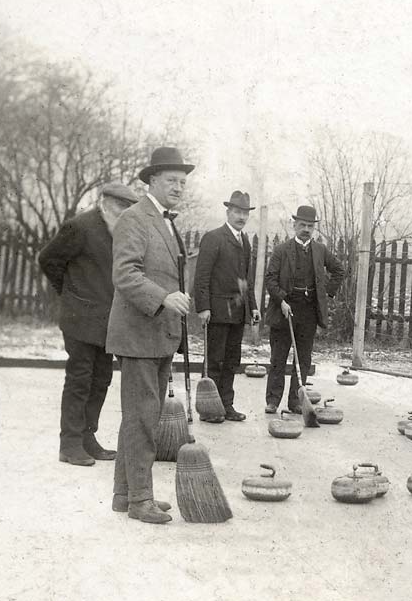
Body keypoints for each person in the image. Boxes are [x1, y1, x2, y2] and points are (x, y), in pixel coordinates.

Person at [106, 147, 195, 525]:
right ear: (152, 181)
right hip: (139, 334)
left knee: (143, 417)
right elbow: (125, 274)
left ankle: (126, 495)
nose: (178, 187)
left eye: (183, 182)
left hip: (158, 333)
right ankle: (140, 499)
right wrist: (163, 298)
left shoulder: (168, 222)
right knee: (142, 418)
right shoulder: (135, 218)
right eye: (171, 181)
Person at [39, 183, 140, 466]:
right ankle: (69, 445)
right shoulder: (80, 226)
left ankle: (87, 438)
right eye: (121, 207)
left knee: (101, 380)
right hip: (79, 320)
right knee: (80, 380)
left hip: (108, 322)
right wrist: (70, 293)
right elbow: (48, 259)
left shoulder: (122, 231)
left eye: (129, 208)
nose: (125, 213)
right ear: (105, 202)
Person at [263, 204, 345, 415]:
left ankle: (295, 401)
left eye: (310, 226)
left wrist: (326, 294)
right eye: (302, 225)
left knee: (303, 359)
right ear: (294, 225)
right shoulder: (282, 250)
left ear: (314, 228)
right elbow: (270, 279)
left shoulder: (320, 250)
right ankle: (272, 400)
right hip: (285, 309)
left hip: (308, 311)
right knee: (278, 358)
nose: (306, 229)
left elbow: (339, 270)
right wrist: (281, 300)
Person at [193, 191, 261, 422]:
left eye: (245, 213)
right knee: (215, 360)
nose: (241, 217)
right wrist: (203, 307)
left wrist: (252, 306)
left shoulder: (245, 242)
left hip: (238, 311)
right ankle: (209, 409)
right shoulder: (214, 238)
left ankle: (226, 406)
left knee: (232, 361)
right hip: (218, 311)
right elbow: (201, 276)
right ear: (228, 212)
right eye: (237, 212)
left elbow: (246, 279)